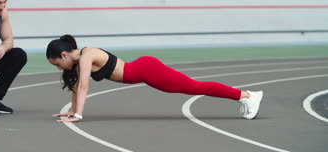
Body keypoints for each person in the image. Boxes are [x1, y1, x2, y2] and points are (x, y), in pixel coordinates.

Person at [46, 35, 263, 122]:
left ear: (64, 54)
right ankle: (245, 96)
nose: (59, 68)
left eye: (57, 63)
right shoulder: (77, 62)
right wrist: (72, 110)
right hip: (144, 71)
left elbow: (84, 85)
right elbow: (76, 88)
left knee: (196, 87)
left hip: (147, 70)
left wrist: (79, 115)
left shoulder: (87, 54)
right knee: (193, 87)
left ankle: (246, 96)